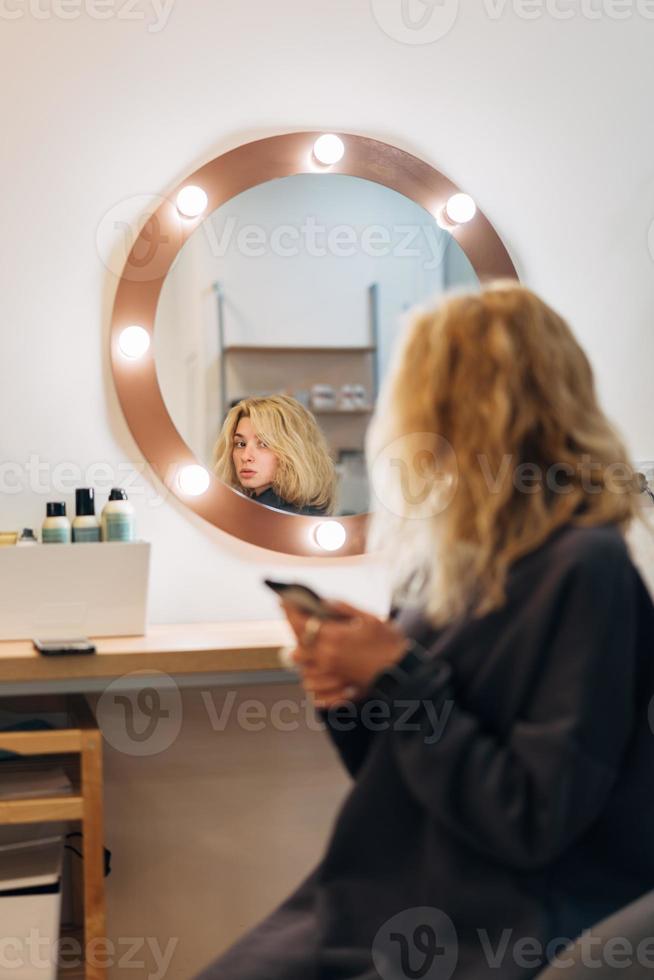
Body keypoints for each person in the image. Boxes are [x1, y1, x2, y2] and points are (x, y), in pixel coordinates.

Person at [194, 282, 654, 980]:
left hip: (494, 923)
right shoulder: (449, 569)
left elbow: (530, 819)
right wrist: (351, 692)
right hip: (390, 894)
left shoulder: (584, 570)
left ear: (469, 408)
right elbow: (399, 773)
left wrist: (398, 676)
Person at [213, 394, 336, 516]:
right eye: (240, 444)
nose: (245, 457)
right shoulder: (252, 509)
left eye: (263, 444)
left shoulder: (276, 518)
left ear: (293, 451)